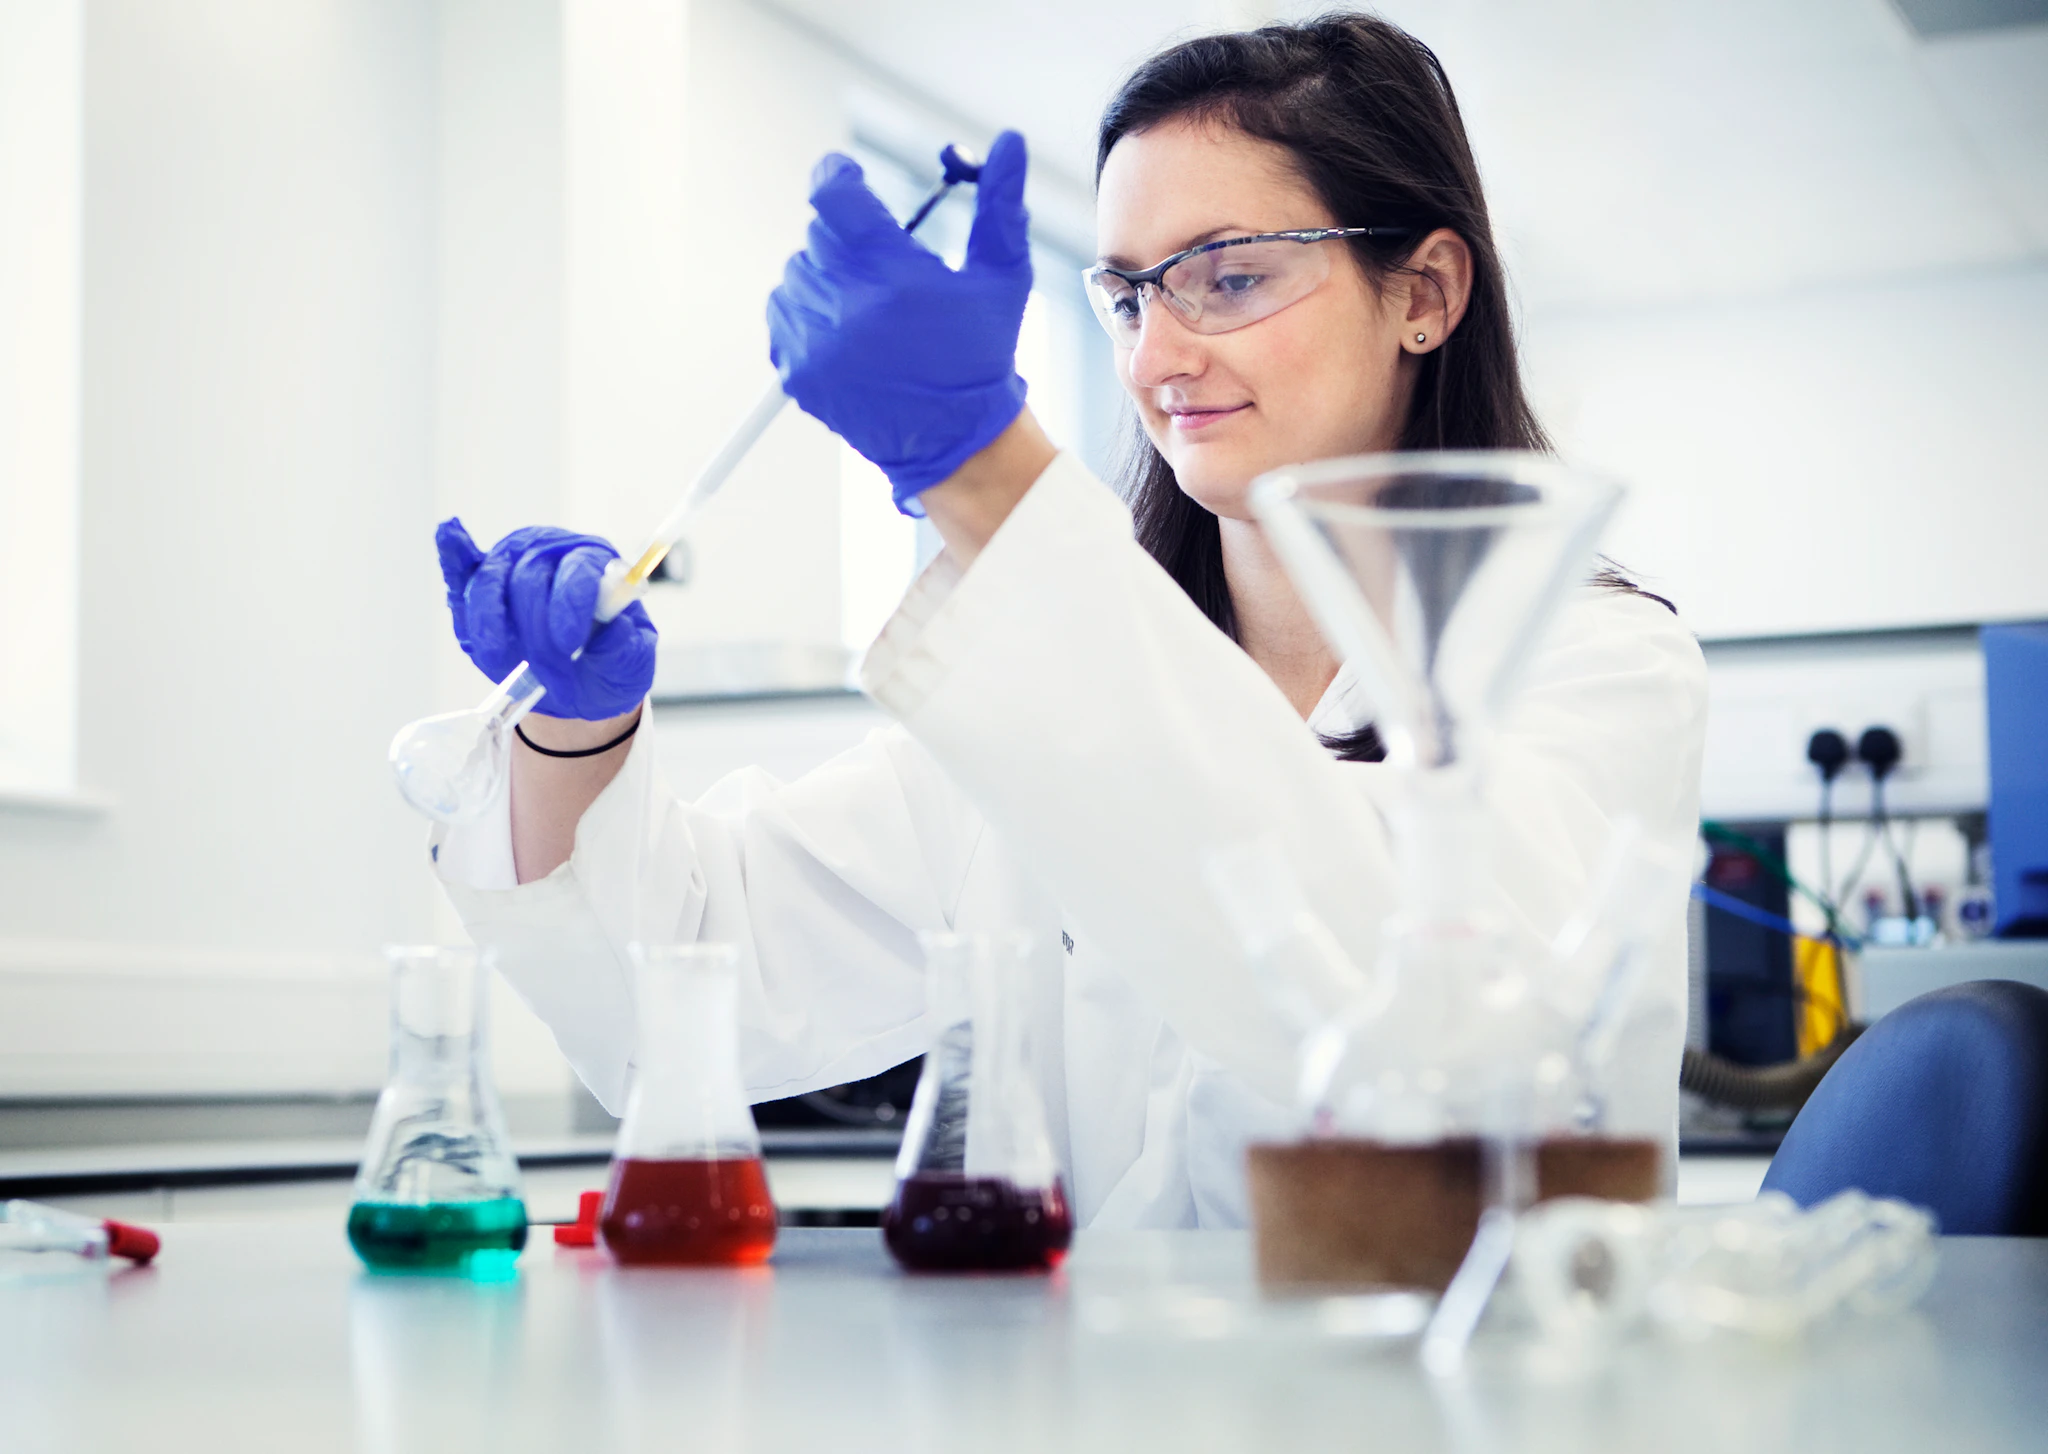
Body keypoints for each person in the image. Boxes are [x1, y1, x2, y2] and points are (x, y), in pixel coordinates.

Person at [429, 15, 1706, 1228]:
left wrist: (983, 470)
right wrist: (575, 733)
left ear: (1422, 291)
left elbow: (1407, 1030)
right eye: (1129, 294)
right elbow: (691, 983)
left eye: (1227, 275)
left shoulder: (1594, 672)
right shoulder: (1040, 694)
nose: (1155, 358)